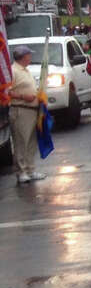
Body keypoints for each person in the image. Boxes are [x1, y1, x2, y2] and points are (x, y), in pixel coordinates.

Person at [6, 45, 45, 185]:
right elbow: (7, 91)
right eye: (29, 55)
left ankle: (30, 169)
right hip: (20, 109)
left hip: (31, 110)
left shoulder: (25, 70)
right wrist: (23, 96)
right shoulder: (12, 71)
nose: (31, 57)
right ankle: (21, 171)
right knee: (21, 141)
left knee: (31, 141)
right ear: (23, 56)